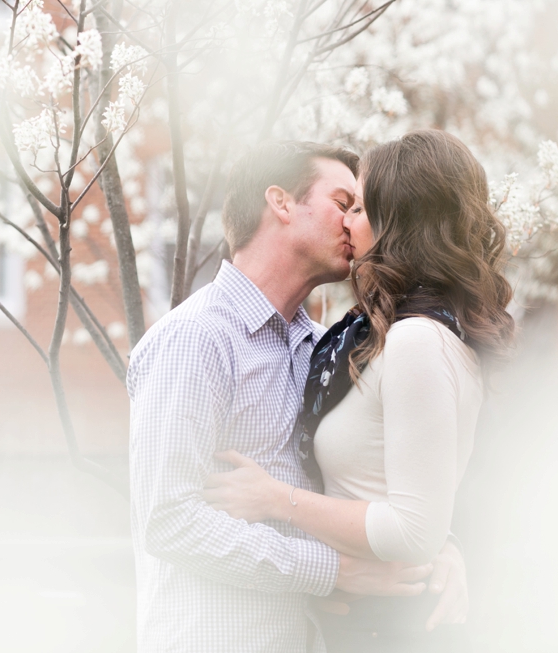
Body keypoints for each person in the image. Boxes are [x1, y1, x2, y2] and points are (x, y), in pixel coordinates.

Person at [127, 140, 469, 653]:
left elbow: (354, 483)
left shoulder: (321, 347)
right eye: (343, 203)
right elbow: (169, 521)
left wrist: (436, 550)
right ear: (282, 203)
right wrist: (333, 571)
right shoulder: (196, 339)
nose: (356, 222)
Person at [202, 129, 516, 652]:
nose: (346, 221)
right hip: (361, 620)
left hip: (389, 629)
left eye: (360, 208)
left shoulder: (418, 340)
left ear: (399, 224)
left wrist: (276, 500)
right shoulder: (383, 334)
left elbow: (417, 529)